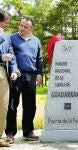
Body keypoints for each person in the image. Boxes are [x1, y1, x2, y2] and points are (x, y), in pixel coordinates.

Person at [5, 17, 43, 144]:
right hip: (16, 76)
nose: (22, 28)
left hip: (31, 76)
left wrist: (39, 74)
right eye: (21, 25)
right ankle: (10, 133)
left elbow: (39, 59)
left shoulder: (36, 41)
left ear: (31, 28)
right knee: (12, 105)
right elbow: (11, 56)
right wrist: (14, 70)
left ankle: (28, 131)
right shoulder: (12, 38)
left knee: (30, 106)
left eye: (25, 27)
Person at [0, 9, 18, 147]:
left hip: (3, 73)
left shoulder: (7, 36)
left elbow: (12, 56)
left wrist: (14, 70)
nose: (8, 24)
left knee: (3, 106)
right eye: (6, 22)